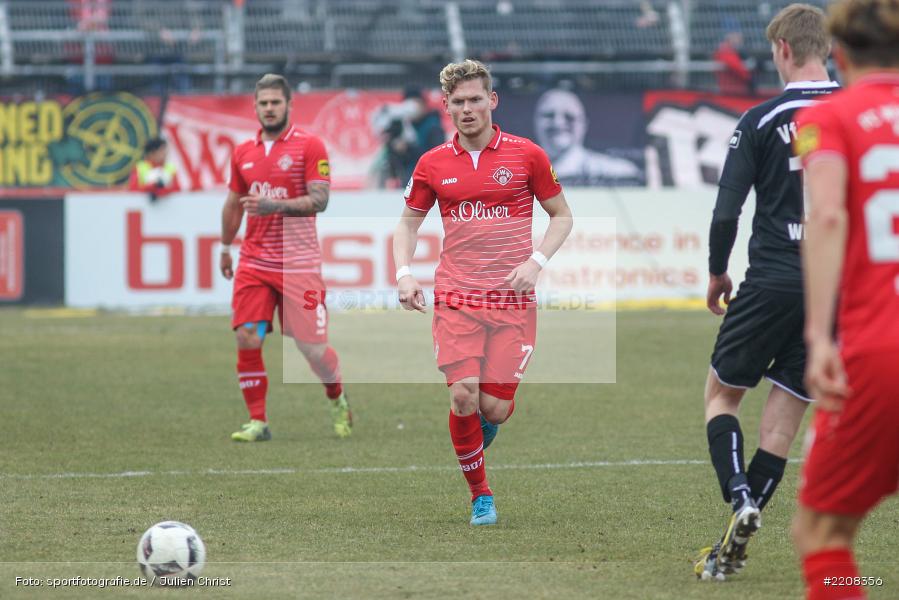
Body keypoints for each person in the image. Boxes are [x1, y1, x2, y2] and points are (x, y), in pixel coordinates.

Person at [393, 60, 573, 526]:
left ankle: (478, 427)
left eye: (475, 99)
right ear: (446, 107)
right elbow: (408, 223)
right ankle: (481, 496)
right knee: (463, 397)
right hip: (456, 295)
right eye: (458, 101)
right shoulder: (432, 163)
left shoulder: (527, 154)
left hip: (512, 301)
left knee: (494, 408)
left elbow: (562, 216)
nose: (467, 108)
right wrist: (404, 273)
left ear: (492, 101)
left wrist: (536, 263)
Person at [694, 4, 838, 581]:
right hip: (837, 291)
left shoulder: (760, 118)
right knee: (782, 425)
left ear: (782, 50)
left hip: (775, 278)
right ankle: (734, 541)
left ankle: (739, 498)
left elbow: (726, 210)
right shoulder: (864, 115)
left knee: (721, 396)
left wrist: (716, 271)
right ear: (826, 49)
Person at [793, 1, 899, 598]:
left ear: (841, 52)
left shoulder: (828, 118)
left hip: (881, 352)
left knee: (823, 529)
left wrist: (817, 337)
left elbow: (828, 214)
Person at [219, 74, 351, 442]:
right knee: (247, 336)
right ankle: (257, 421)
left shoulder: (310, 146)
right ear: (255, 107)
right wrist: (225, 246)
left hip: (299, 264)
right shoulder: (243, 152)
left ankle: (336, 395)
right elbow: (233, 204)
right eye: (263, 103)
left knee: (312, 350)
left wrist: (271, 205)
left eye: (276, 102)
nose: (269, 108)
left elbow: (320, 200)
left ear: (289, 105)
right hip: (254, 261)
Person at [533, 88, 641, 185]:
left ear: (584, 124)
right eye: (549, 115)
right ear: (535, 122)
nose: (558, 123)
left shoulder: (618, 171)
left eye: (569, 116)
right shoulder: (520, 173)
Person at [714, 27, 753, 96]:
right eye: (737, 36)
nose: (740, 39)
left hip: (735, 89)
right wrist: (748, 77)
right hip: (731, 90)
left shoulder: (733, 50)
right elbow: (735, 66)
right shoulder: (725, 50)